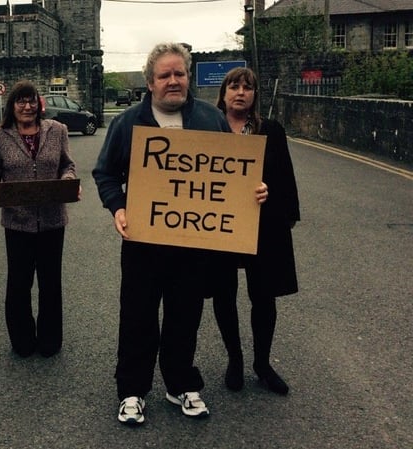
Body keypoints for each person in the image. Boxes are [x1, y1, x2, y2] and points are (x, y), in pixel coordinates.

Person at [92, 42, 268, 425]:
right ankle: (132, 392)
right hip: (143, 240)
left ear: (188, 76)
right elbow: (105, 173)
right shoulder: (127, 124)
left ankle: (181, 384)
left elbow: (231, 174)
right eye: (165, 75)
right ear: (150, 82)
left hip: (193, 243)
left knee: (184, 316)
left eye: (180, 73)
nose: (174, 81)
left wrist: (253, 191)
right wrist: (117, 207)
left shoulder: (210, 119)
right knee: (137, 317)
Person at [211, 66, 300, 395]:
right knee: (223, 293)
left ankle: (262, 364)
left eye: (247, 88)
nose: (240, 92)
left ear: (254, 95)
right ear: (223, 93)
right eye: (234, 86)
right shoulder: (209, 129)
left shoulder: (271, 130)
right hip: (219, 226)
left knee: (263, 296)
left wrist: (271, 192)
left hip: (262, 225)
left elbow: (285, 177)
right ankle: (234, 360)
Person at [0, 80, 79, 358]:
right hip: (17, 221)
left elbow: (67, 165)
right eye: (21, 101)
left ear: (40, 104)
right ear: (12, 106)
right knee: (19, 283)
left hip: (52, 220)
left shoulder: (57, 130)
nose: (27, 106)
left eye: (32, 100)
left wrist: (69, 182)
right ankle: (22, 339)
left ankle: (50, 340)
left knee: (51, 282)